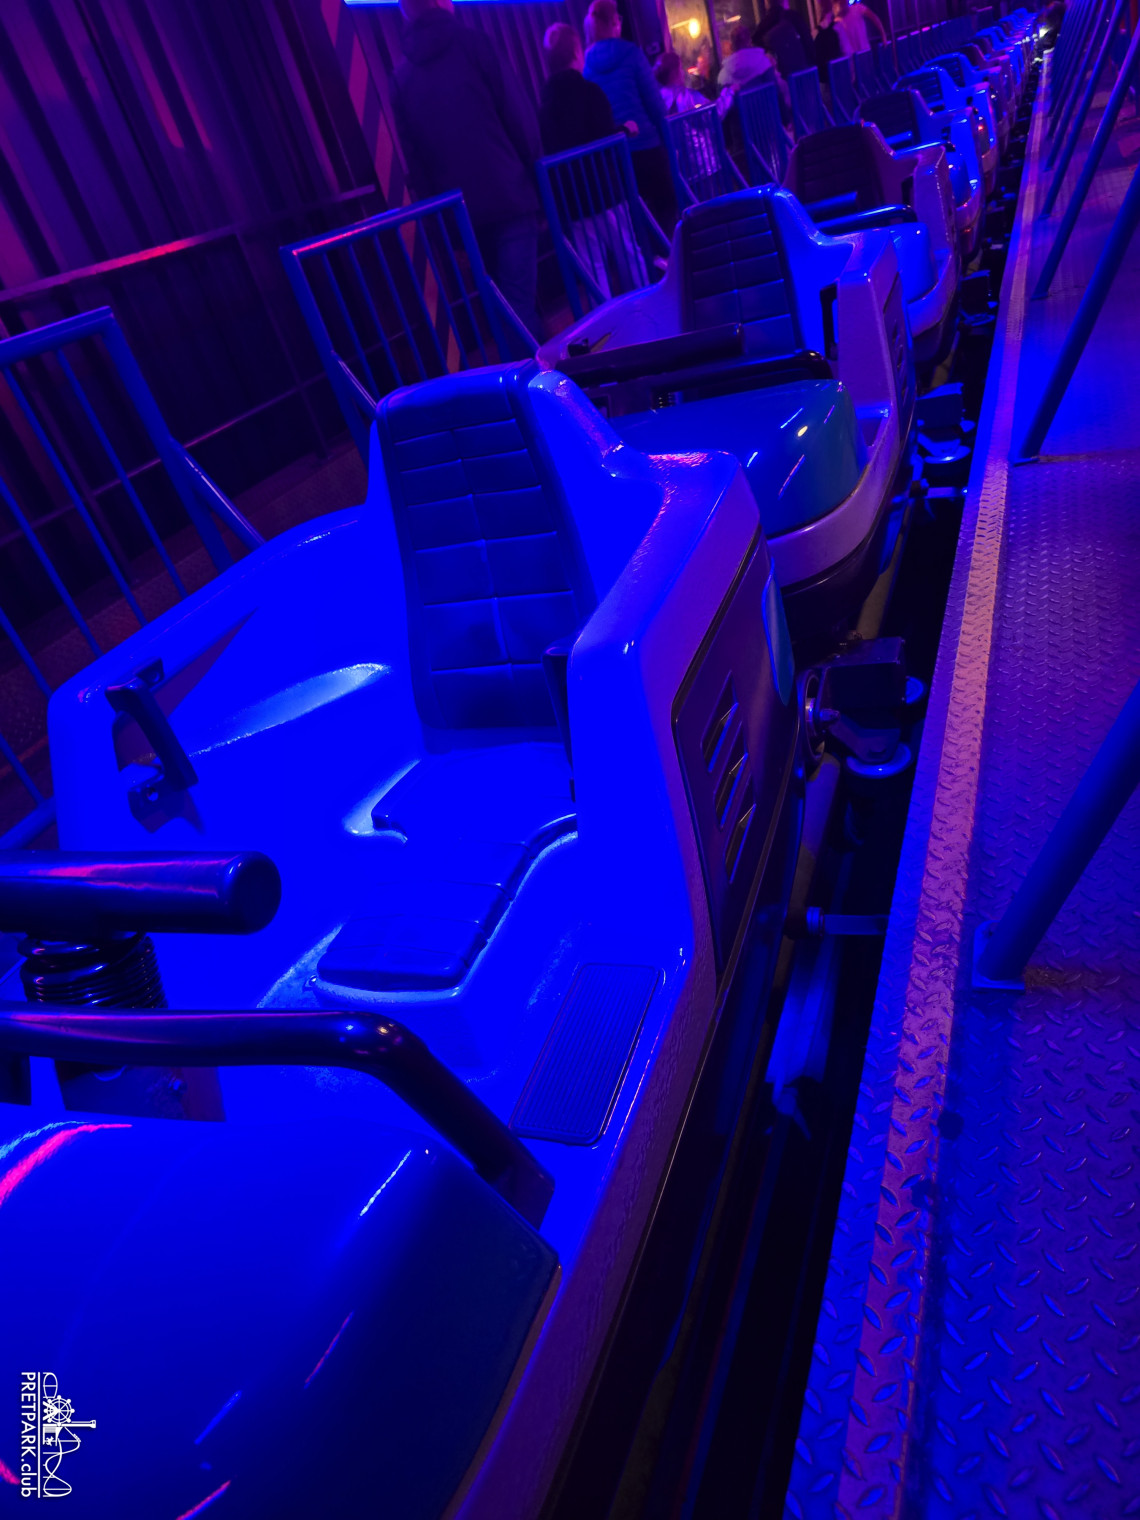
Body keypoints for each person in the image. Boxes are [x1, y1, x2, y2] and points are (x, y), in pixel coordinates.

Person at [390, 0, 541, 337]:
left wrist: (445, 231)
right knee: (519, 305)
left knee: (501, 309)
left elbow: (418, 167)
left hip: (461, 216)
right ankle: (547, 371)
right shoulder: (475, 45)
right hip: (510, 194)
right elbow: (520, 120)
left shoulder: (400, 78)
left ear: (404, 10)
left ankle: (528, 367)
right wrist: (539, 185)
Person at [539, 23, 647, 296]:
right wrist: (626, 130)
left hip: (574, 201)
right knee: (628, 255)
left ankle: (606, 319)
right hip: (605, 192)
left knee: (593, 270)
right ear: (577, 52)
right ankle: (644, 307)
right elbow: (605, 138)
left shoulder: (544, 106)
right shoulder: (591, 92)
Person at [583, 0, 679, 234]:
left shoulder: (587, 64)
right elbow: (655, 106)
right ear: (614, 22)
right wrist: (669, 142)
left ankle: (652, 256)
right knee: (668, 212)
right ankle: (677, 253)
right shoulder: (631, 53)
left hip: (615, 155)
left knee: (637, 223)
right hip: (646, 146)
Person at [752, 0, 814, 73]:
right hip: (803, 70)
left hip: (780, 74)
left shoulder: (762, 27)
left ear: (766, 3)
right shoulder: (794, 17)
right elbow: (809, 44)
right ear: (784, 1)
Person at [717, 25, 777, 90]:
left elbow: (722, 96)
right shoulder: (764, 64)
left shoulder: (723, 77)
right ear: (750, 42)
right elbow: (776, 91)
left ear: (731, 46)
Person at [654, 50, 708, 114]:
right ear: (674, 73)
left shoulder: (657, 99)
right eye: (681, 68)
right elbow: (712, 111)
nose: (683, 72)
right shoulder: (688, 96)